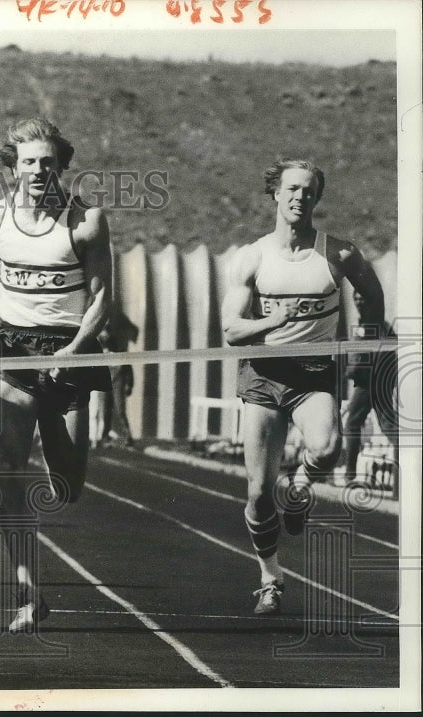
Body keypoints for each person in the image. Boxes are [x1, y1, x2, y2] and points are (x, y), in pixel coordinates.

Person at [0, 118, 113, 632]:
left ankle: (62, 463)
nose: (39, 171)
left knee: (67, 486)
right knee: (8, 472)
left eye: (48, 162)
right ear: (14, 166)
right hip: (13, 349)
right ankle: (28, 592)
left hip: (69, 351)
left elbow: (102, 299)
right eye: (29, 162)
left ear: (61, 164)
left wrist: (73, 350)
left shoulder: (86, 222)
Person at [221, 158, 385, 615]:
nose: (299, 198)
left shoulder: (339, 254)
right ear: (275, 193)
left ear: (317, 197)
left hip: (314, 374)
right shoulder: (252, 257)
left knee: (328, 447)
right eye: (291, 189)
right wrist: (274, 319)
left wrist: (367, 338)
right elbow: (231, 330)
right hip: (265, 375)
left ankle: (300, 487)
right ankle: (269, 578)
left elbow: (372, 295)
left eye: (308, 191)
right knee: (257, 492)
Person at [341, 291, 398, 483]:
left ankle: (349, 476)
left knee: (352, 424)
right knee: (390, 427)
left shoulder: (376, 322)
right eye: (356, 298)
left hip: (371, 383)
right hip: (370, 383)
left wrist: (374, 376)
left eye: (362, 298)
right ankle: (400, 482)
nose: (358, 302)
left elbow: (388, 350)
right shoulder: (365, 323)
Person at [98, 306, 137, 448]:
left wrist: (129, 384)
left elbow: (128, 366)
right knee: (105, 411)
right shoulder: (97, 349)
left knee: (120, 410)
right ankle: (104, 436)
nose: (104, 336)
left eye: (106, 332)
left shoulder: (118, 347)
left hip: (117, 381)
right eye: (102, 333)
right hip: (104, 382)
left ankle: (128, 437)